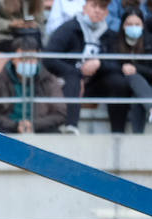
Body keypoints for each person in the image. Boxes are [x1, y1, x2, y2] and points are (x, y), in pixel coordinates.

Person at [95, 8, 152, 132]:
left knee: (137, 90)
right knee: (134, 83)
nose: (133, 27)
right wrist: (125, 69)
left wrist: (136, 69)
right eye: (129, 24)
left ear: (143, 25)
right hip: (127, 89)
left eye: (137, 24)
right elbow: (107, 66)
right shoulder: (115, 43)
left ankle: (139, 134)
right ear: (123, 26)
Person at [43, 0, 111, 134]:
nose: (97, 10)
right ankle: (71, 125)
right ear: (85, 8)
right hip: (68, 82)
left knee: (116, 81)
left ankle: (118, 131)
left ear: (107, 13)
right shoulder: (68, 28)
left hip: (94, 83)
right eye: (94, 6)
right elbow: (48, 57)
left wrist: (99, 63)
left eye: (102, 7)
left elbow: (116, 64)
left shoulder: (108, 34)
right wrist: (76, 73)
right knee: (72, 78)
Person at [0, 31, 66, 132]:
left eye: (31, 58)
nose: (27, 63)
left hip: (40, 129)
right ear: (13, 59)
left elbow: (60, 113)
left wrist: (33, 125)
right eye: (22, 58)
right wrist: (15, 126)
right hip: (8, 130)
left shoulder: (49, 80)